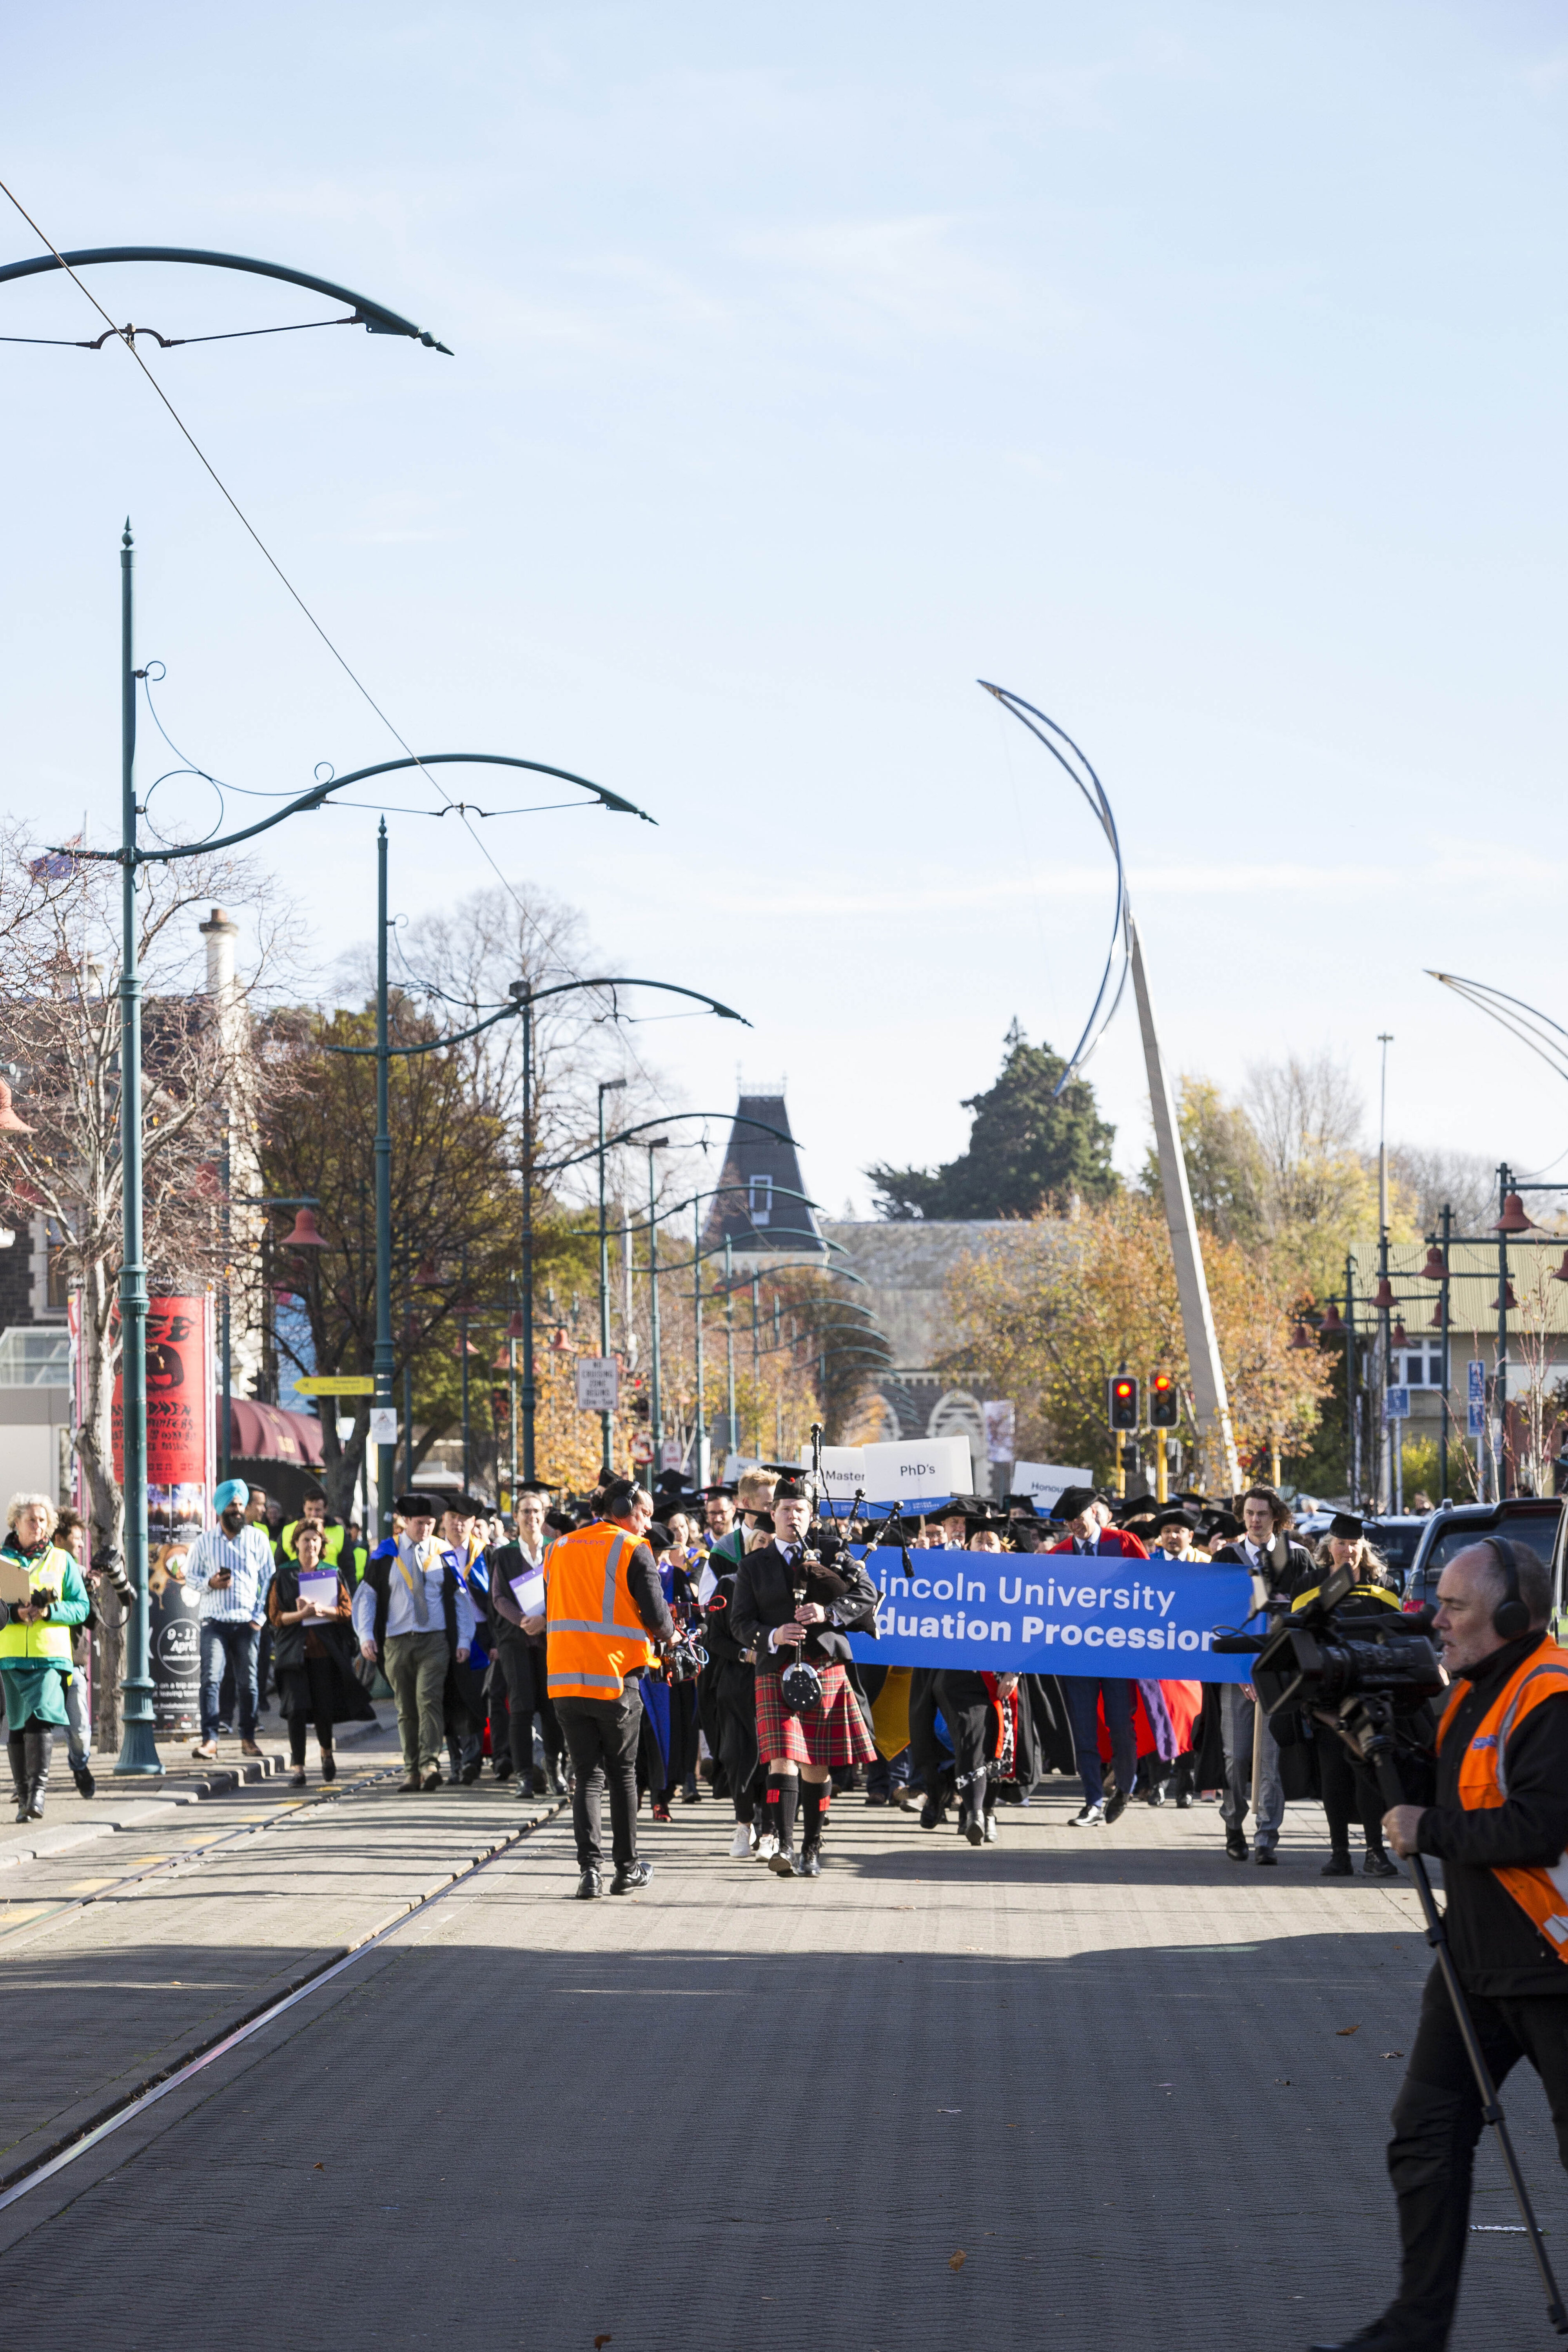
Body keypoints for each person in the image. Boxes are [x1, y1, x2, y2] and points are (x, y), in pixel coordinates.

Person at [1310, 1538, 1568, 2352]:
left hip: (1554, 1965)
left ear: (1510, 1615)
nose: (1434, 1622)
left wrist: (1431, 1829)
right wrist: (1364, 1742)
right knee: (1423, 2136)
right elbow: (1431, 1790)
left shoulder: (1550, 1695)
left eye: (1452, 1607)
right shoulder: (1471, 1692)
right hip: (1474, 1959)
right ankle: (1413, 2331)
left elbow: (1542, 1826)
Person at [730, 1477, 880, 1878]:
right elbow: (739, 1623)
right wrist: (773, 1636)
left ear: (811, 1516)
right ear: (772, 1514)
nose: (792, 1515)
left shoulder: (832, 1552)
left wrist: (827, 1613)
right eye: (785, 1509)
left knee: (817, 1764)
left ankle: (812, 1847)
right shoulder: (752, 1566)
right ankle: (784, 1844)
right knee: (782, 1757)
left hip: (824, 1665)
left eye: (800, 1509)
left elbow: (867, 1594)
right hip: (775, 1669)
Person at [543, 1477, 673, 1898]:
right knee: (621, 1775)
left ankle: (589, 1873)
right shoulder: (633, 1549)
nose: (647, 1523)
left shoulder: (558, 1548)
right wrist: (671, 1635)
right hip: (615, 1680)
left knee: (586, 1776)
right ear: (623, 1507)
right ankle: (627, 1868)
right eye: (644, 1513)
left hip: (564, 1679)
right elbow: (658, 1617)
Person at [1209, 1485, 1311, 1865]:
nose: (1255, 1520)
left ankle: (1267, 1835)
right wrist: (1240, 1672)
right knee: (1235, 1757)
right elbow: (1215, 1619)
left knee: (1271, 1760)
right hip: (1237, 1676)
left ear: (1276, 1517)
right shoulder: (1225, 1559)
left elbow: (1305, 1619)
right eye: (1249, 1513)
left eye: (1262, 1514)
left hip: (1279, 1676)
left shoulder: (1298, 1560)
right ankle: (1233, 1825)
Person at [352, 1492, 475, 1791]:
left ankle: (429, 1763)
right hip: (396, 1642)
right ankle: (412, 1769)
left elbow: (461, 1599)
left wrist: (465, 1639)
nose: (426, 1530)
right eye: (420, 1524)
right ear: (405, 1521)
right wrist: (366, 1635)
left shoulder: (444, 1554)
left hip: (434, 1640)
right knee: (406, 1707)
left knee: (429, 1699)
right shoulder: (385, 1554)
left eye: (431, 1524)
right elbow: (367, 1598)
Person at [1045, 1486, 1149, 1829]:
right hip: (1077, 1657)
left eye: (1078, 1518)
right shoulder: (1058, 1555)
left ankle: (1125, 1786)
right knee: (1084, 1731)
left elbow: (1150, 1591)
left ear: (1094, 1511)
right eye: (1068, 1521)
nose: (1074, 1525)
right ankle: (1092, 1800)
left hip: (1119, 1653)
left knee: (1120, 1724)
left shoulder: (1124, 1543)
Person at [0, 1494, 89, 1821]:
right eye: (31, 1520)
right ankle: (23, 1796)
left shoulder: (62, 1561)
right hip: (10, 1656)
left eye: (43, 1521)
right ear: (16, 1524)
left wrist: (50, 1611)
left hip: (50, 1656)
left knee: (41, 1718)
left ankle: (38, 1793)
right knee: (18, 1724)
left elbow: (81, 1607)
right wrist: (14, 1613)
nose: (38, 1526)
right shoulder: (2, 1561)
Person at [267, 1520, 373, 1784]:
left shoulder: (331, 1572)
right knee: (296, 1711)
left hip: (324, 1654)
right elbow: (275, 1617)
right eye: (306, 1540)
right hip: (294, 1654)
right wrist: (301, 1615)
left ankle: (327, 1754)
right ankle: (298, 1768)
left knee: (323, 1709)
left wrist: (323, 1611)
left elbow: (347, 1612)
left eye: (316, 1540)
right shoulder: (283, 1575)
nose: (311, 1544)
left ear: (322, 1545)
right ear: (296, 1545)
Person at [185, 1478, 275, 1761]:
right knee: (211, 1680)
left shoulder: (258, 1539)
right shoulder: (204, 1541)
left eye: (240, 1504)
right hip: (215, 1622)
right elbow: (190, 1578)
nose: (237, 1510)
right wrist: (210, 1583)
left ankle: (248, 1738)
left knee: (248, 1683)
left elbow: (270, 1580)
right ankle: (210, 1739)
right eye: (232, 1506)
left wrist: (260, 1617)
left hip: (248, 1623)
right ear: (221, 1509)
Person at [488, 1486, 566, 1798]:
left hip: (551, 1638)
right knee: (520, 1707)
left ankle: (554, 1769)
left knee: (552, 1707)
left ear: (543, 1515)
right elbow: (498, 1597)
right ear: (516, 1517)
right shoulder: (504, 1554)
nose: (531, 1517)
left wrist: (545, 1621)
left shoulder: (557, 1549)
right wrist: (523, 1621)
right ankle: (524, 1776)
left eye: (536, 1511)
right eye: (525, 1511)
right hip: (515, 1640)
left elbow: (565, 1593)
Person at [51, 1505, 133, 1799]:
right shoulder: (46, 1568)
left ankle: (80, 1766)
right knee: (36, 1729)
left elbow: (88, 1620)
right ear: (58, 1538)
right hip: (42, 1660)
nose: (83, 1544)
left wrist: (91, 1590)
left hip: (73, 1661)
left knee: (80, 1729)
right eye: (77, 1538)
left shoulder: (77, 1571)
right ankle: (31, 1781)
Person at [931, 1668, 1035, 1844]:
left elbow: (1024, 1640)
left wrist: (1014, 1672)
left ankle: (986, 1813)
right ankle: (974, 1812)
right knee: (969, 1744)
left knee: (996, 1748)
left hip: (999, 1678)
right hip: (957, 1677)